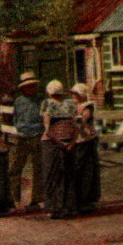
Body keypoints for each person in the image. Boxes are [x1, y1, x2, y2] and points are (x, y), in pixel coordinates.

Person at [40, 80, 79, 219]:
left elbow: (75, 126)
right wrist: (63, 143)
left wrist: (72, 142)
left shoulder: (68, 105)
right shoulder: (49, 105)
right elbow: (48, 130)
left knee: (66, 175)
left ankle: (65, 206)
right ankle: (54, 207)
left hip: (65, 143)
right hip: (53, 144)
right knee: (55, 175)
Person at [8, 72, 45, 212]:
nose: (30, 88)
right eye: (28, 86)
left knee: (38, 168)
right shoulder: (18, 101)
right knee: (15, 168)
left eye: (33, 86)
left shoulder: (41, 101)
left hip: (37, 136)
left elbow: (44, 119)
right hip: (22, 137)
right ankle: (15, 200)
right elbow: (16, 118)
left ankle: (37, 198)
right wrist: (20, 128)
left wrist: (38, 129)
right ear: (23, 88)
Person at [71, 83, 101, 214]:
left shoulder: (87, 107)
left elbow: (83, 120)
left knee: (85, 170)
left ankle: (85, 199)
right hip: (77, 140)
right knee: (78, 169)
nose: (74, 96)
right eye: (74, 94)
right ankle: (79, 199)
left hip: (85, 140)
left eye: (77, 94)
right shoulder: (74, 106)